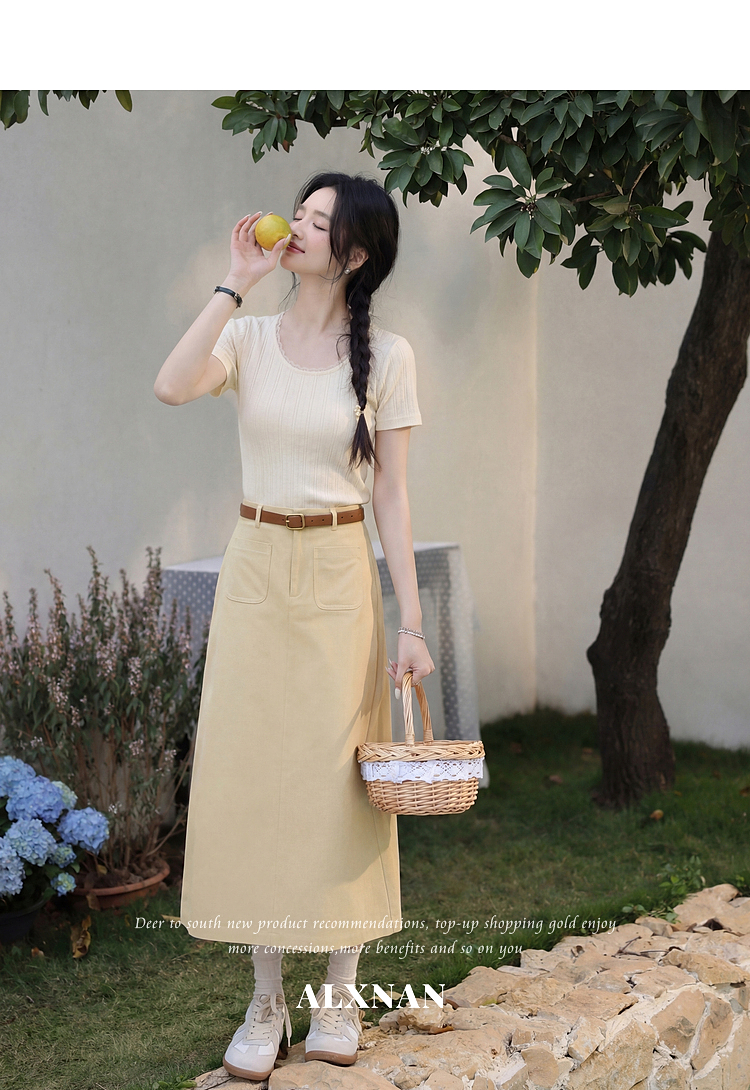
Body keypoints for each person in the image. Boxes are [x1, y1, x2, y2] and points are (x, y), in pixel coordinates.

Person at [153, 171, 434, 1080]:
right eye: (299, 214)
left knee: (339, 782)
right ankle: (266, 999)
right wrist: (235, 279)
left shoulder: (389, 357)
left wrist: (411, 621)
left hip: (340, 573)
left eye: (319, 222)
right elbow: (170, 385)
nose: (297, 229)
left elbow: (392, 496)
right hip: (257, 569)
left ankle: (340, 992)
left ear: (353, 254)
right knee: (253, 778)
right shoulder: (245, 336)